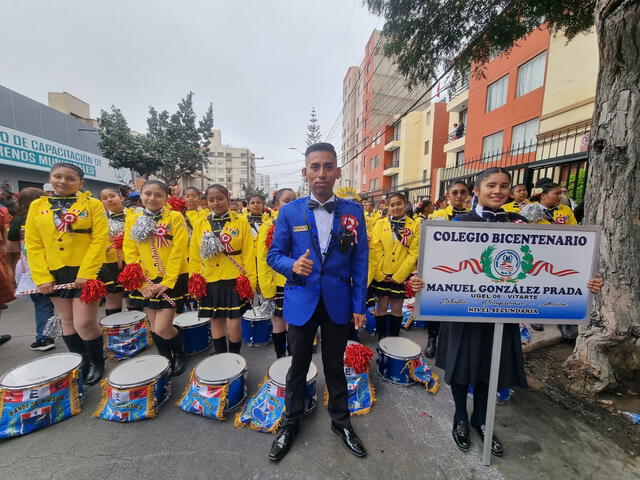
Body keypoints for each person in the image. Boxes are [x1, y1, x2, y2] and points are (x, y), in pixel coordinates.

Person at [408, 166, 603, 457]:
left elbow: (548, 263)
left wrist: (583, 282)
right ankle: (461, 417)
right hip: (464, 312)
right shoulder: (458, 223)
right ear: (477, 191)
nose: (498, 191)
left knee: (491, 370)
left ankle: (482, 421)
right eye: (491, 185)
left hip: (502, 312)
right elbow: (439, 266)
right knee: (462, 369)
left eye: (504, 186)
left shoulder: (520, 223)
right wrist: (420, 280)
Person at [266, 142, 368, 461]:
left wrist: (358, 305)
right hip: (301, 299)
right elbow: (274, 254)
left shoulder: (354, 212)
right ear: (305, 172)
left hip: (337, 301)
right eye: (315, 167)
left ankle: (341, 422)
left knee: (335, 366)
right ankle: (290, 422)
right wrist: (291, 266)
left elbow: (360, 260)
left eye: (327, 167)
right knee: (297, 366)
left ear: (337, 171)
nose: (321, 174)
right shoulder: (289, 211)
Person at [25, 163, 108, 385]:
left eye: (70, 178)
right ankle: (82, 361)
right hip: (54, 271)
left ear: (80, 183)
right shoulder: (37, 206)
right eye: (58, 177)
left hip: (86, 270)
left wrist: (87, 273)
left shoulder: (93, 205)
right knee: (67, 321)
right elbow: (33, 244)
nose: (63, 181)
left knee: (84, 323)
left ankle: (97, 361)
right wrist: (42, 277)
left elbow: (100, 240)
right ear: (50, 178)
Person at [122, 180, 189, 375]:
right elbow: (130, 250)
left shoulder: (175, 217)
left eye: (158, 195)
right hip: (146, 281)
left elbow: (179, 250)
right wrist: (141, 283)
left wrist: (168, 281)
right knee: (153, 325)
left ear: (166, 198)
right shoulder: (133, 218)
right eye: (148, 194)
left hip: (172, 279)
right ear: (140, 195)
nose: (152, 198)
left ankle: (179, 352)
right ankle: (165, 357)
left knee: (162, 327)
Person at [189, 184, 256, 355]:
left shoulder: (241, 222)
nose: (216, 203)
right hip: (209, 279)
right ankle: (220, 356)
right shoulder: (200, 224)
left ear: (228, 199)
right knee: (215, 320)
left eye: (220, 198)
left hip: (235, 279)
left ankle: (234, 357)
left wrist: (251, 281)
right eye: (211, 199)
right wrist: (194, 281)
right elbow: (195, 255)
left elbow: (249, 253)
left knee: (234, 324)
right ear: (207, 202)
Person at [521, 182, 578, 337]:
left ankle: (564, 322)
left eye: (561, 193)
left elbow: (574, 229)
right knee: (538, 286)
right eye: (556, 193)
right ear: (544, 195)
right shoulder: (530, 209)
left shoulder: (565, 210)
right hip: (538, 255)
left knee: (564, 287)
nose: (561, 196)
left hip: (562, 254)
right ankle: (536, 314)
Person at [424, 181, 470, 358]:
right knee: (436, 304)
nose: (459, 196)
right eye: (455, 192)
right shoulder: (438, 216)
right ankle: (432, 339)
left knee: (458, 306)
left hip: (465, 268)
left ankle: (453, 343)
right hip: (440, 267)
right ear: (448, 196)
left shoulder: (472, 217)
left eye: (462, 192)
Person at [370, 192, 420, 339]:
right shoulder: (380, 223)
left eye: (399, 203)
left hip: (400, 274)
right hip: (382, 273)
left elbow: (413, 253)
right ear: (388, 207)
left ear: (406, 204)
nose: (396, 207)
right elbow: (375, 248)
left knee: (397, 308)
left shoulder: (415, 225)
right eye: (392, 205)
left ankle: (393, 339)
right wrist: (380, 273)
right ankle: (381, 338)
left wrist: (399, 276)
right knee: (382, 307)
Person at [10, 187, 56, 351]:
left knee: (42, 302)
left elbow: (10, 247)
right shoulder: (51, 213)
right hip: (52, 262)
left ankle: (44, 337)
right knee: (53, 301)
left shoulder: (17, 220)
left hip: (30, 265)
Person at [257, 188, 297, 358]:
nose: (291, 203)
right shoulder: (268, 227)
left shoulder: (302, 223)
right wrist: (267, 288)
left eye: (294, 200)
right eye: (286, 200)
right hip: (277, 284)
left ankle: (294, 359)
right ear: (276, 205)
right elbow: (263, 258)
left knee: (294, 324)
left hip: (297, 282)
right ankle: (280, 357)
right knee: (278, 323)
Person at [98, 187, 129, 316]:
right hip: (110, 263)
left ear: (121, 198)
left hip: (132, 262)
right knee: (112, 298)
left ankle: (139, 333)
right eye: (104, 198)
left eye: (112, 196)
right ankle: (114, 333)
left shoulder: (135, 214)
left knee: (133, 298)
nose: (109, 200)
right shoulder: (100, 219)